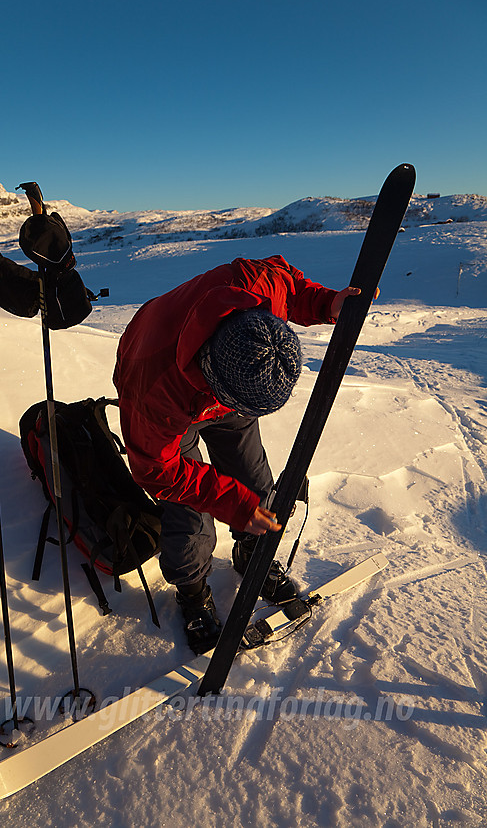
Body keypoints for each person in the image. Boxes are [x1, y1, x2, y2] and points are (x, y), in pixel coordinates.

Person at [113, 254, 361, 653]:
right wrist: (228, 501)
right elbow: (156, 469)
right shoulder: (154, 392)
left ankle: (251, 555)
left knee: (256, 483)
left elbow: (293, 284)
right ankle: (193, 594)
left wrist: (326, 303)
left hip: (227, 385)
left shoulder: (261, 289)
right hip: (169, 381)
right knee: (191, 517)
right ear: (218, 386)